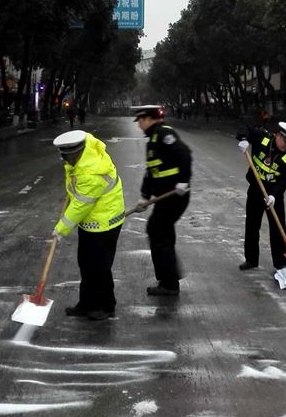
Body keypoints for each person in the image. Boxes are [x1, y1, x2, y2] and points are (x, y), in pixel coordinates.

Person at [52, 130, 125, 321]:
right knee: (85, 263)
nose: (68, 161)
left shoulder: (91, 170)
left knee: (99, 266)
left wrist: (61, 229)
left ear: (78, 152)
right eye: (65, 157)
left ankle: (106, 306)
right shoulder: (83, 156)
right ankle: (86, 303)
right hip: (91, 221)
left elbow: (81, 205)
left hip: (105, 222)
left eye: (70, 157)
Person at [133, 105, 192, 297]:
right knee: (160, 232)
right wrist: (144, 196)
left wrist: (183, 181)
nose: (139, 125)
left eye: (140, 120)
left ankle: (169, 283)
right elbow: (151, 171)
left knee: (158, 232)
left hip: (175, 195)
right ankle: (169, 278)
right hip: (164, 196)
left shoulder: (163, 134)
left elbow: (184, 154)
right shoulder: (153, 138)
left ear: (149, 119)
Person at [237, 121, 286, 271]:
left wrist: (273, 195)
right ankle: (251, 260)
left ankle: (281, 265)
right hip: (256, 190)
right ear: (278, 135)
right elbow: (245, 125)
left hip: (274, 195)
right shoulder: (263, 138)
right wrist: (243, 139)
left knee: (278, 229)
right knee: (252, 225)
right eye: (285, 142)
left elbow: (285, 181)